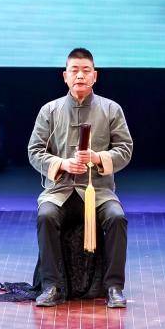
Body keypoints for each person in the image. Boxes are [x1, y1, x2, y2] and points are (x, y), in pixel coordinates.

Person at [27, 48, 133, 308]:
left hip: (98, 192)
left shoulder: (111, 109)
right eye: (74, 70)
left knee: (117, 217)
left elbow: (125, 149)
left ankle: (114, 287)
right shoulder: (50, 110)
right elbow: (34, 151)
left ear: (95, 76)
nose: (80, 76)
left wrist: (97, 158)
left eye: (86, 71)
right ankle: (51, 286)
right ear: (65, 76)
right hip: (60, 191)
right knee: (46, 216)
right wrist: (62, 163)